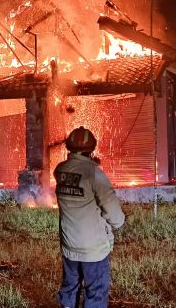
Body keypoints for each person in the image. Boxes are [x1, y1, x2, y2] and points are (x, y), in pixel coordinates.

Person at [54, 126, 125, 308]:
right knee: (95, 293)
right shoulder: (94, 174)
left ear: (68, 147)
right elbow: (115, 215)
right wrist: (118, 222)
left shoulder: (60, 170)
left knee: (70, 288)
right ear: (91, 149)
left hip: (69, 245)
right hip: (93, 249)